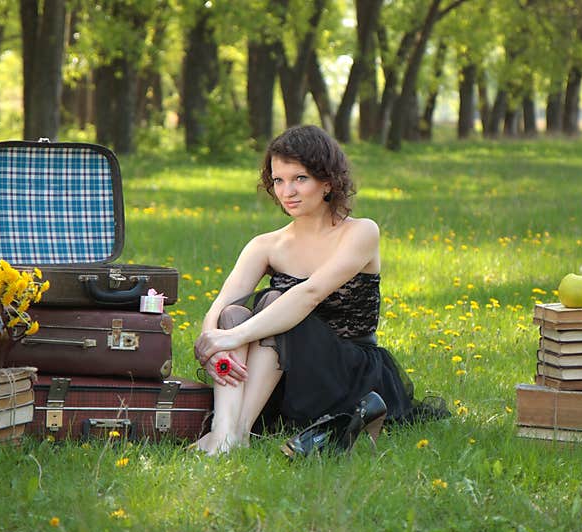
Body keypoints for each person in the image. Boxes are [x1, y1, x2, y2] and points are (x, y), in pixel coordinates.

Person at [192, 125, 448, 456]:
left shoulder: (360, 233)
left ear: (327, 181)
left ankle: (234, 433)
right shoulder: (266, 245)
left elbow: (309, 294)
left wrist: (233, 338)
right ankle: (225, 434)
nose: (287, 192)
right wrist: (211, 344)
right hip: (279, 380)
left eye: (300, 178)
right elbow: (221, 306)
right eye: (278, 180)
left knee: (274, 301)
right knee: (232, 314)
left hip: (347, 376)